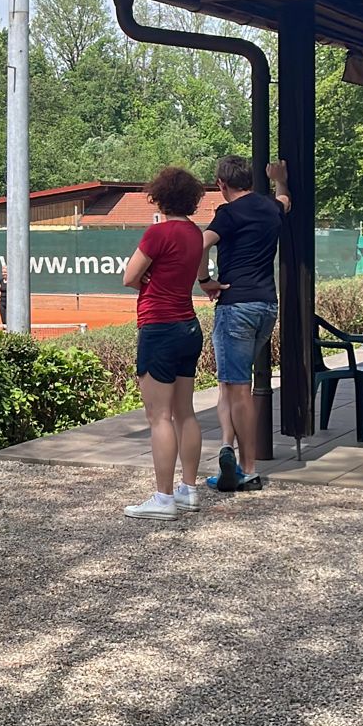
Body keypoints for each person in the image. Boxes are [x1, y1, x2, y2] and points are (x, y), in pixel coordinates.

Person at [120, 166, 207, 520]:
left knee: (159, 417)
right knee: (185, 412)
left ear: (159, 197)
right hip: (188, 327)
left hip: (159, 328)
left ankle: (163, 498)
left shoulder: (158, 233)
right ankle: (188, 490)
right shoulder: (196, 233)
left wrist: (147, 279)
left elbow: (129, 277)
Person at [199, 156, 289, 492]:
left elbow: (201, 244)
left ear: (221, 184)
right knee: (229, 383)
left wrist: (205, 281)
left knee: (238, 387)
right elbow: (285, 200)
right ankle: (227, 447)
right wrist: (280, 179)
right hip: (267, 306)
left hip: (235, 305)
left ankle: (248, 468)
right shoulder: (270, 208)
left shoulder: (228, 214)